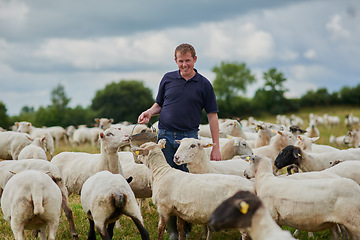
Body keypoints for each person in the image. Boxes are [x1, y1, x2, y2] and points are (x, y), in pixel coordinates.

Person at [137, 43, 221, 239]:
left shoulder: (204, 84)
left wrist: (215, 148)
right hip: (164, 136)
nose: (184, 65)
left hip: (189, 140)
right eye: (181, 61)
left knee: (188, 184)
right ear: (176, 61)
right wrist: (149, 112)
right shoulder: (167, 79)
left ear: (195, 59)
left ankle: (187, 231)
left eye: (188, 60)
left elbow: (212, 116)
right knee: (166, 184)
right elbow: (159, 104)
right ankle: (173, 231)